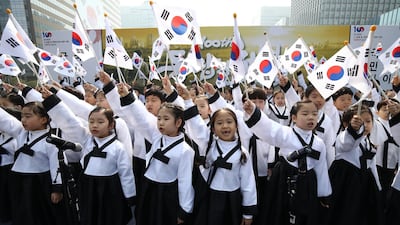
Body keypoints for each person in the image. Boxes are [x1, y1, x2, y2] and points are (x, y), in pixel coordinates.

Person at [42, 90, 136, 225]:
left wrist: (130, 197)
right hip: (88, 186)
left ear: (111, 125)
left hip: (110, 189)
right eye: (91, 122)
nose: (95, 125)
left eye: (100, 122)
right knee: (89, 216)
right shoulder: (87, 140)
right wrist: (51, 100)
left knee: (110, 217)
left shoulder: (118, 147)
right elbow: (70, 122)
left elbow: (126, 173)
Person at [116, 83, 195, 225]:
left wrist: (184, 211)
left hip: (167, 195)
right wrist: (127, 95)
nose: (161, 123)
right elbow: (142, 117)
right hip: (148, 189)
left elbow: (185, 182)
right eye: (159, 119)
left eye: (166, 119)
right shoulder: (156, 137)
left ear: (178, 122)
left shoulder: (185, 150)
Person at [243, 99, 331, 225]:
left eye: (314, 114)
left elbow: (321, 170)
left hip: (308, 183)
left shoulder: (319, 143)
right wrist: (253, 111)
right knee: (281, 213)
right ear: (294, 118)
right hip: (284, 179)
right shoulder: (286, 133)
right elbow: (269, 129)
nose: (310, 117)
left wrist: (324, 194)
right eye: (305, 114)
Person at [0, 101, 64, 225]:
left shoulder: (52, 141)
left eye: (28, 116)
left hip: (40, 183)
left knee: (40, 214)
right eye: (22, 116)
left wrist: (57, 189)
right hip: (18, 180)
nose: (23, 120)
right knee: (21, 212)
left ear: (43, 119)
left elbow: (56, 165)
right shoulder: (21, 133)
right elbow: (5, 120)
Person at [329, 105, 383, 225]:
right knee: (345, 214)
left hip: (365, 183)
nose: (365, 125)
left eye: (368, 121)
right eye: (360, 122)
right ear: (345, 124)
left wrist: (378, 187)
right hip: (346, 183)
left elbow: (372, 166)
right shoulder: (343, 137)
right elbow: (347, 143)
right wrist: (354, 129)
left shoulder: (368, 141)